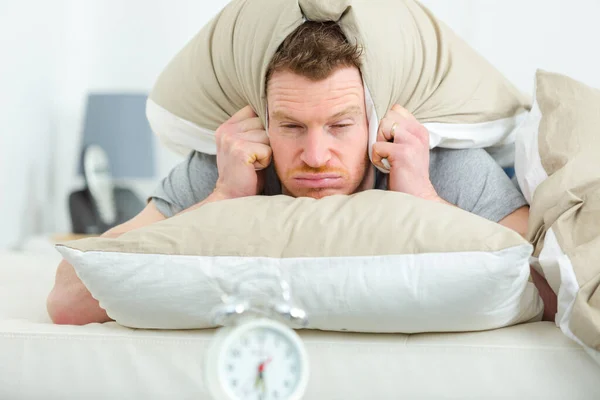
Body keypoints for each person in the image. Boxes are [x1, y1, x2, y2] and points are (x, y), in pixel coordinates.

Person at [47, 21, 556, 325]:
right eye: (291, 126)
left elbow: (555, 292)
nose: (315, 155)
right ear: (264, 121)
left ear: (374, 121)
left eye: (340, 125)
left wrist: (423, 198)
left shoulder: (442, 163)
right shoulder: (225, 165)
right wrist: (222, 198)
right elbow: (68, 299)